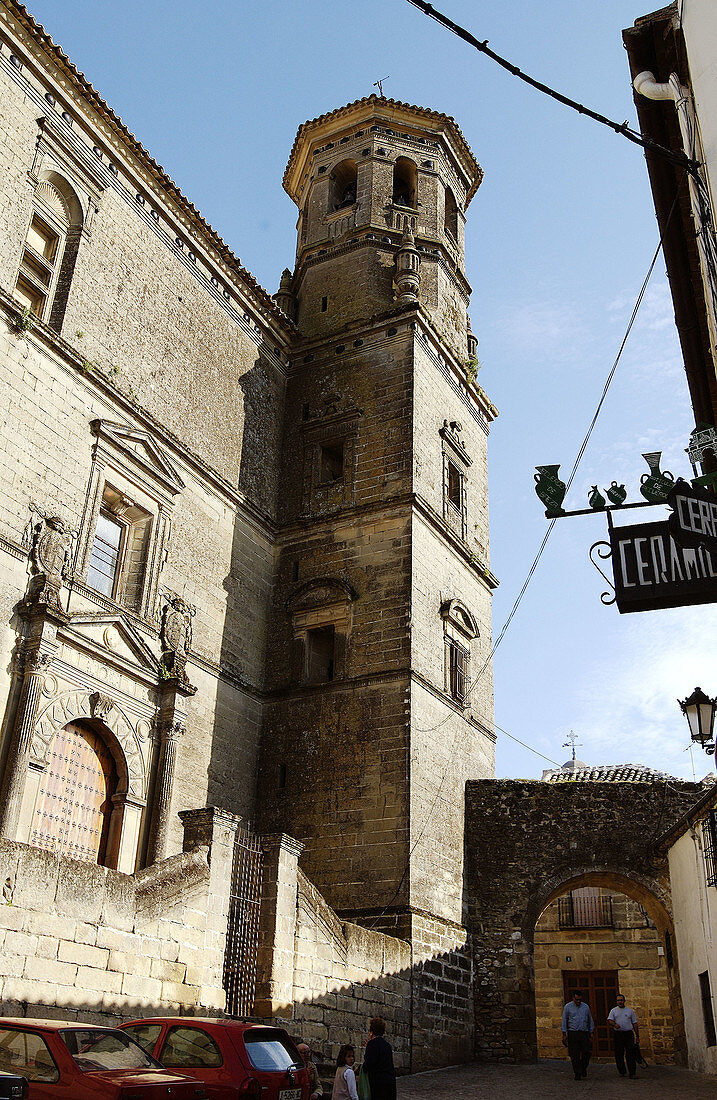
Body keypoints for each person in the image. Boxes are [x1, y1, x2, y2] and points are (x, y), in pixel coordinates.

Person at [561, 989, 594, 1081]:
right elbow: (564, 1020)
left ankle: (583, 1067)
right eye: (577, 1000)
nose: (578, 1002)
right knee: (574, 1054)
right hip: (573, 1033)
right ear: (573, 998)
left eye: (580, 1000)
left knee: (586, 1053)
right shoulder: (568, 1007)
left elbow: (589, 1019)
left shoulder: (585, 1007)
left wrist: (591, 1032)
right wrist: (564, 1034)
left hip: (584, 1032)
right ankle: (577, 1073)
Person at [362, 1017, 396, 1100]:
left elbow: (369, 1064)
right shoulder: (387, 1045)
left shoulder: (372, 1044)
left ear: (371, 1031)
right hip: (390, 1083)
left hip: (378, 1084)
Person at [608, 993, 640, 1079]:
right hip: (618, 1034)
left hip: (628, 1034)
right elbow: (610, 1020)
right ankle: (622, 1071)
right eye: (618, 1000)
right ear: (616, 1001)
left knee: (630, 1053)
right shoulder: (613, 1011)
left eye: (621, 1000)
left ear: (624, 1001)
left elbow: (635, 1023)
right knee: (619, 1053)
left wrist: (637, 1036)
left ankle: (632, 1072)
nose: (620, 1002)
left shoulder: (629, 1011)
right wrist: (614, 1024)